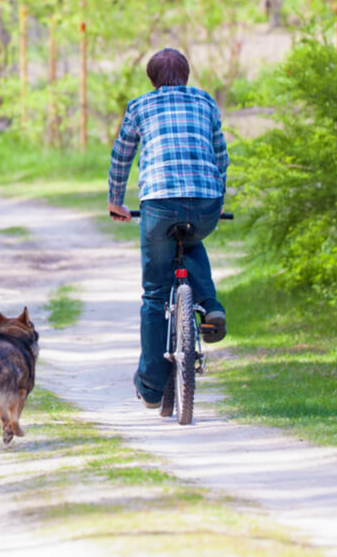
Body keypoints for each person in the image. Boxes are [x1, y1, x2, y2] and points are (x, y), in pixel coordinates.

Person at [108, 48, 228, 409]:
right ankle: (210, 305)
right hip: (205, 202)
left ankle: (150, 386)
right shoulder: (206, 103)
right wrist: (217, 198)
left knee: (156, 294)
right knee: (190, 241)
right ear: (187, 76)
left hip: (159, 204)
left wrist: (116, 202)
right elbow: (220, 154)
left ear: (152, 80)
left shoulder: (140, 106)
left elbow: (122, 155)